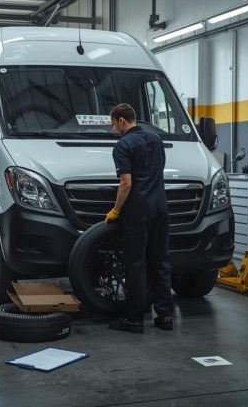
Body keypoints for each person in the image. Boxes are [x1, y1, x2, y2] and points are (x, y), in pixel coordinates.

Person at [105, 103, 174, 333]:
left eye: (113, 124)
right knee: (161, 262)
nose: (113, 129)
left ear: (121, 120)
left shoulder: (123, 145)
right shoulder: (156, 140)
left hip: (139, 209)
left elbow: (126, 183)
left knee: (136, 263)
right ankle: (164, 317)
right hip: (160, 207)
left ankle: (134, 319)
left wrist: (115, 210)